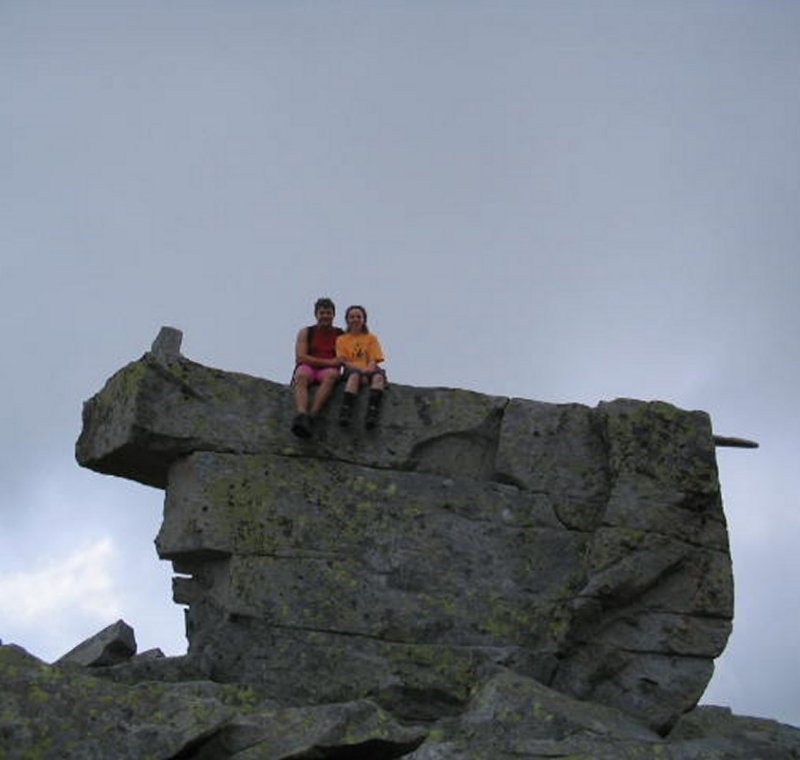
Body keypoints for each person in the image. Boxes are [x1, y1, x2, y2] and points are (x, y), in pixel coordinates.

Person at [291, 297, 344, 438]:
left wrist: (333, 363)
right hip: (310, 367)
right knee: (301, 375)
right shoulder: (306, 332)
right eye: (322, 313)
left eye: (328, 313)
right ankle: (302, 413)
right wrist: (329, 362)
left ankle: (313, 414)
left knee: (331, 376)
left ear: (333, 315)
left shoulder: (340, 335)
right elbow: (301, 357)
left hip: (327, 371)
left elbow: (342, 359)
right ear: (316, 315)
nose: (325, 316)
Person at [335, 305, 386, 429]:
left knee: (378, 378)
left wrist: (368, 369)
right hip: (352, 368)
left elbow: (374, 358)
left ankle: (372, 413)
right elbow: (343, 361)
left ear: (364, 319)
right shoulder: (341, 339)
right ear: (347, 320)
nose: (355, 319)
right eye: (352, 317)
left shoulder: (371, 338)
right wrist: (361, 371)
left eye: (359, 316)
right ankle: (345, 411)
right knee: (354, 377)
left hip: (369, 367)